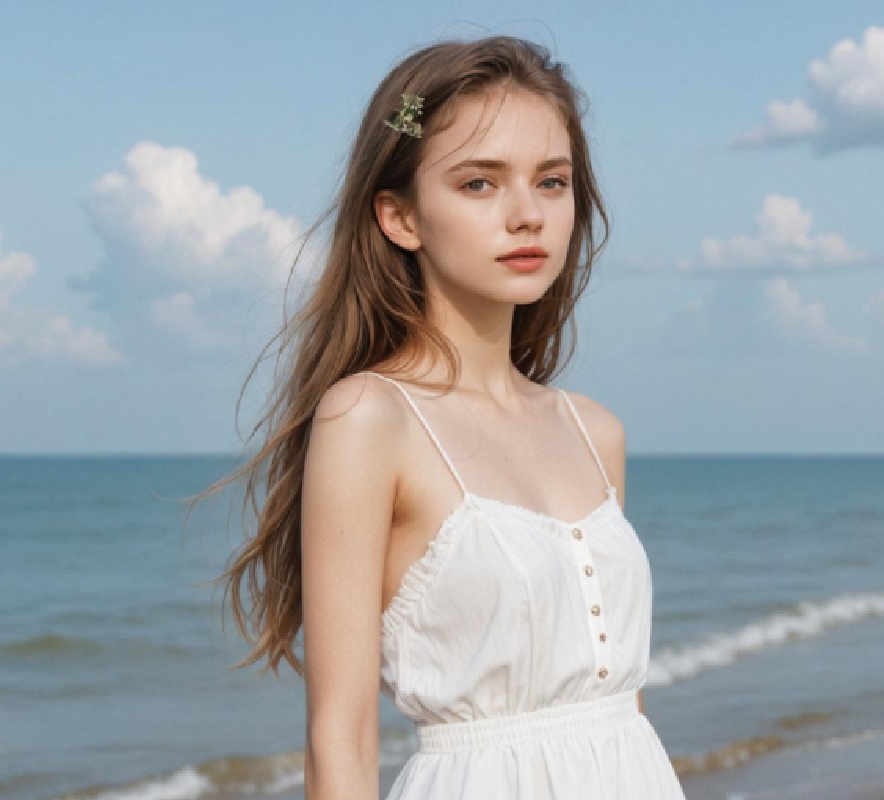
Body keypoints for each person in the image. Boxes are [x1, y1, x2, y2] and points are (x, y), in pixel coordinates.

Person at [207, 35, 687, 799]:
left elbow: (618, 702)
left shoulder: (596, 433)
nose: (528, 215)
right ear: (400, 217)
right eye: (478, 184)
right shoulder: (369, 419)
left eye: (553, 181)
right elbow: (342, 737)